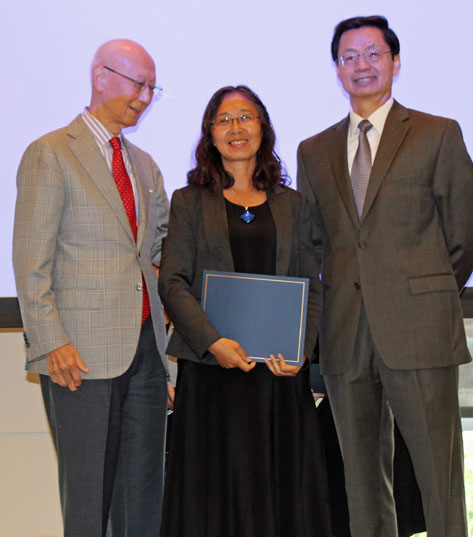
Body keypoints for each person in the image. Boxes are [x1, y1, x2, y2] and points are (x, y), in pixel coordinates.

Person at [296, 15, 473, 537]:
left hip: (419, 330)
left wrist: (427, 295)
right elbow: (314, 243)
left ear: (395, 62)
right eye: (349, 57)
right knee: (360, 483)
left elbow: (465, 233)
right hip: (343, 335)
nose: (361, 65)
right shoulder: (313, 150)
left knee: (437, 479)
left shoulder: (436, 133)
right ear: (336, 69)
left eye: (372, 54)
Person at [158, 85, 334, 537]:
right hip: (212, 373)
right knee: (213, 495)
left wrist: (301, 349)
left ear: (263, 128)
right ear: (210, 134)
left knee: (278, 492)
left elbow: (311, 284)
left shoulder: (293, 205)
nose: (236, 128)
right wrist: (213, 341)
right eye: (224, 119)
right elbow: (172, 281)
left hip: (277, 376)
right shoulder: (189, 201)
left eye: (246, 117)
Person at [12, 39, 170, 537]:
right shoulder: (51, 153)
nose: (144, 97)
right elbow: (30, 261)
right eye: (136, 83)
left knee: (143, 495)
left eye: (151, 87)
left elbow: (156, 253)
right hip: (78, 355)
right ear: (100, 76)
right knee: (87, 497)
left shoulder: (145, 164)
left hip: (146, 353)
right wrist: (50, 340)